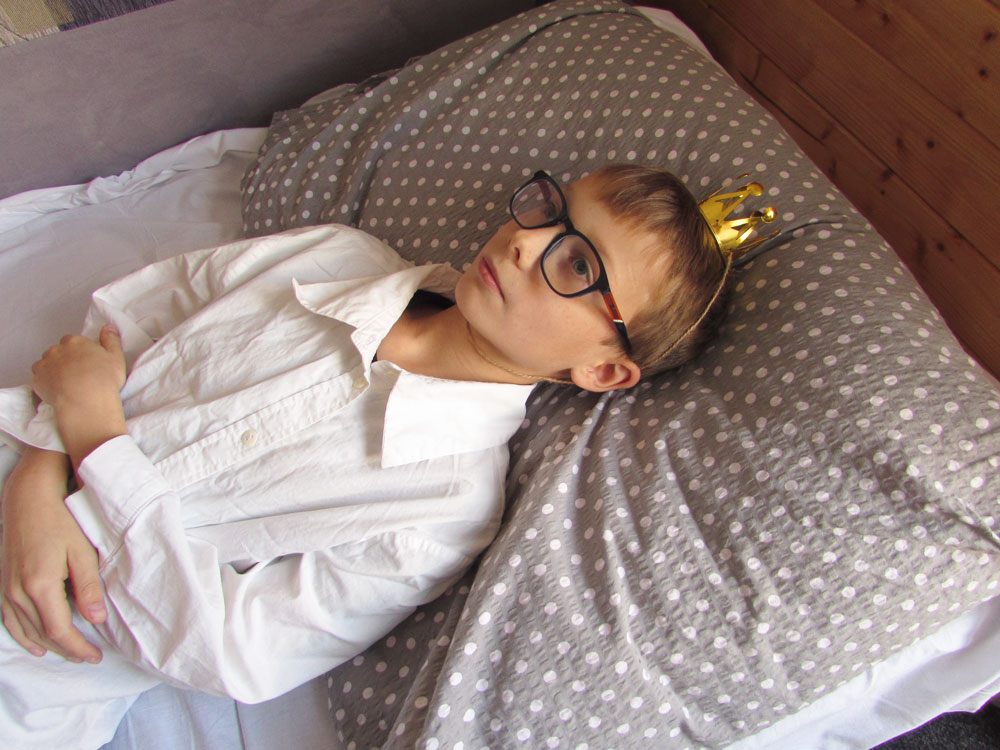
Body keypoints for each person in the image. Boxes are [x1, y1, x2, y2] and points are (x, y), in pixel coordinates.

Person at [0, 165, 730, 748]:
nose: (524, 242)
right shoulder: (335, 257)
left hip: (30, 652)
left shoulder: (444, 510)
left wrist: (95, 442)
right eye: (550, 210)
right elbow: (126, 323)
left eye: (576, 264)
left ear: (603, 369)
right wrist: (39, 468)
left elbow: (231, 649)